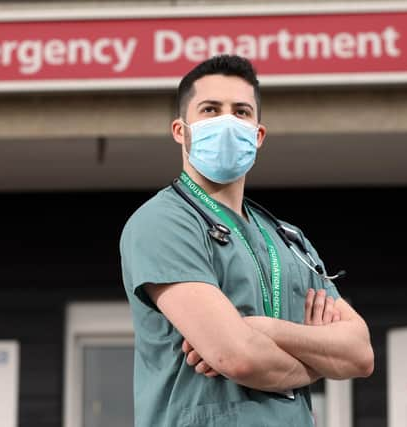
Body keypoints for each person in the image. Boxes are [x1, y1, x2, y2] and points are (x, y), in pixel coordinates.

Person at [120, 55, 374, 427]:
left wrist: (262, 329)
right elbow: (236, 357)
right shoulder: (163, 222)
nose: (226, 121)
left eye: (241, 111)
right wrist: (317, 360)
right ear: (180, 129)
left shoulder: (288, 239)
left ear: (258, 135)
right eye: (210, 109)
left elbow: (360, 354)